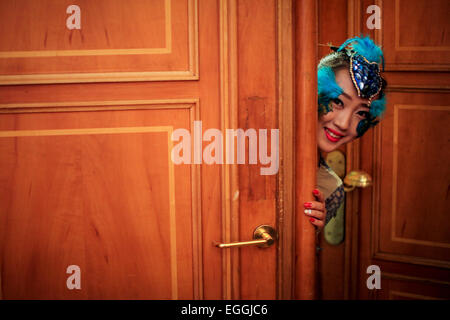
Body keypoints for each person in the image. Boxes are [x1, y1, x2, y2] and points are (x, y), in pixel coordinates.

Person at [303, 36, 387, 232]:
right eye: (338, 102)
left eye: (360, 113)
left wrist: (308, 232)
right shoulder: (261, 144)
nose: (343, 124)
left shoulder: (331, 188)